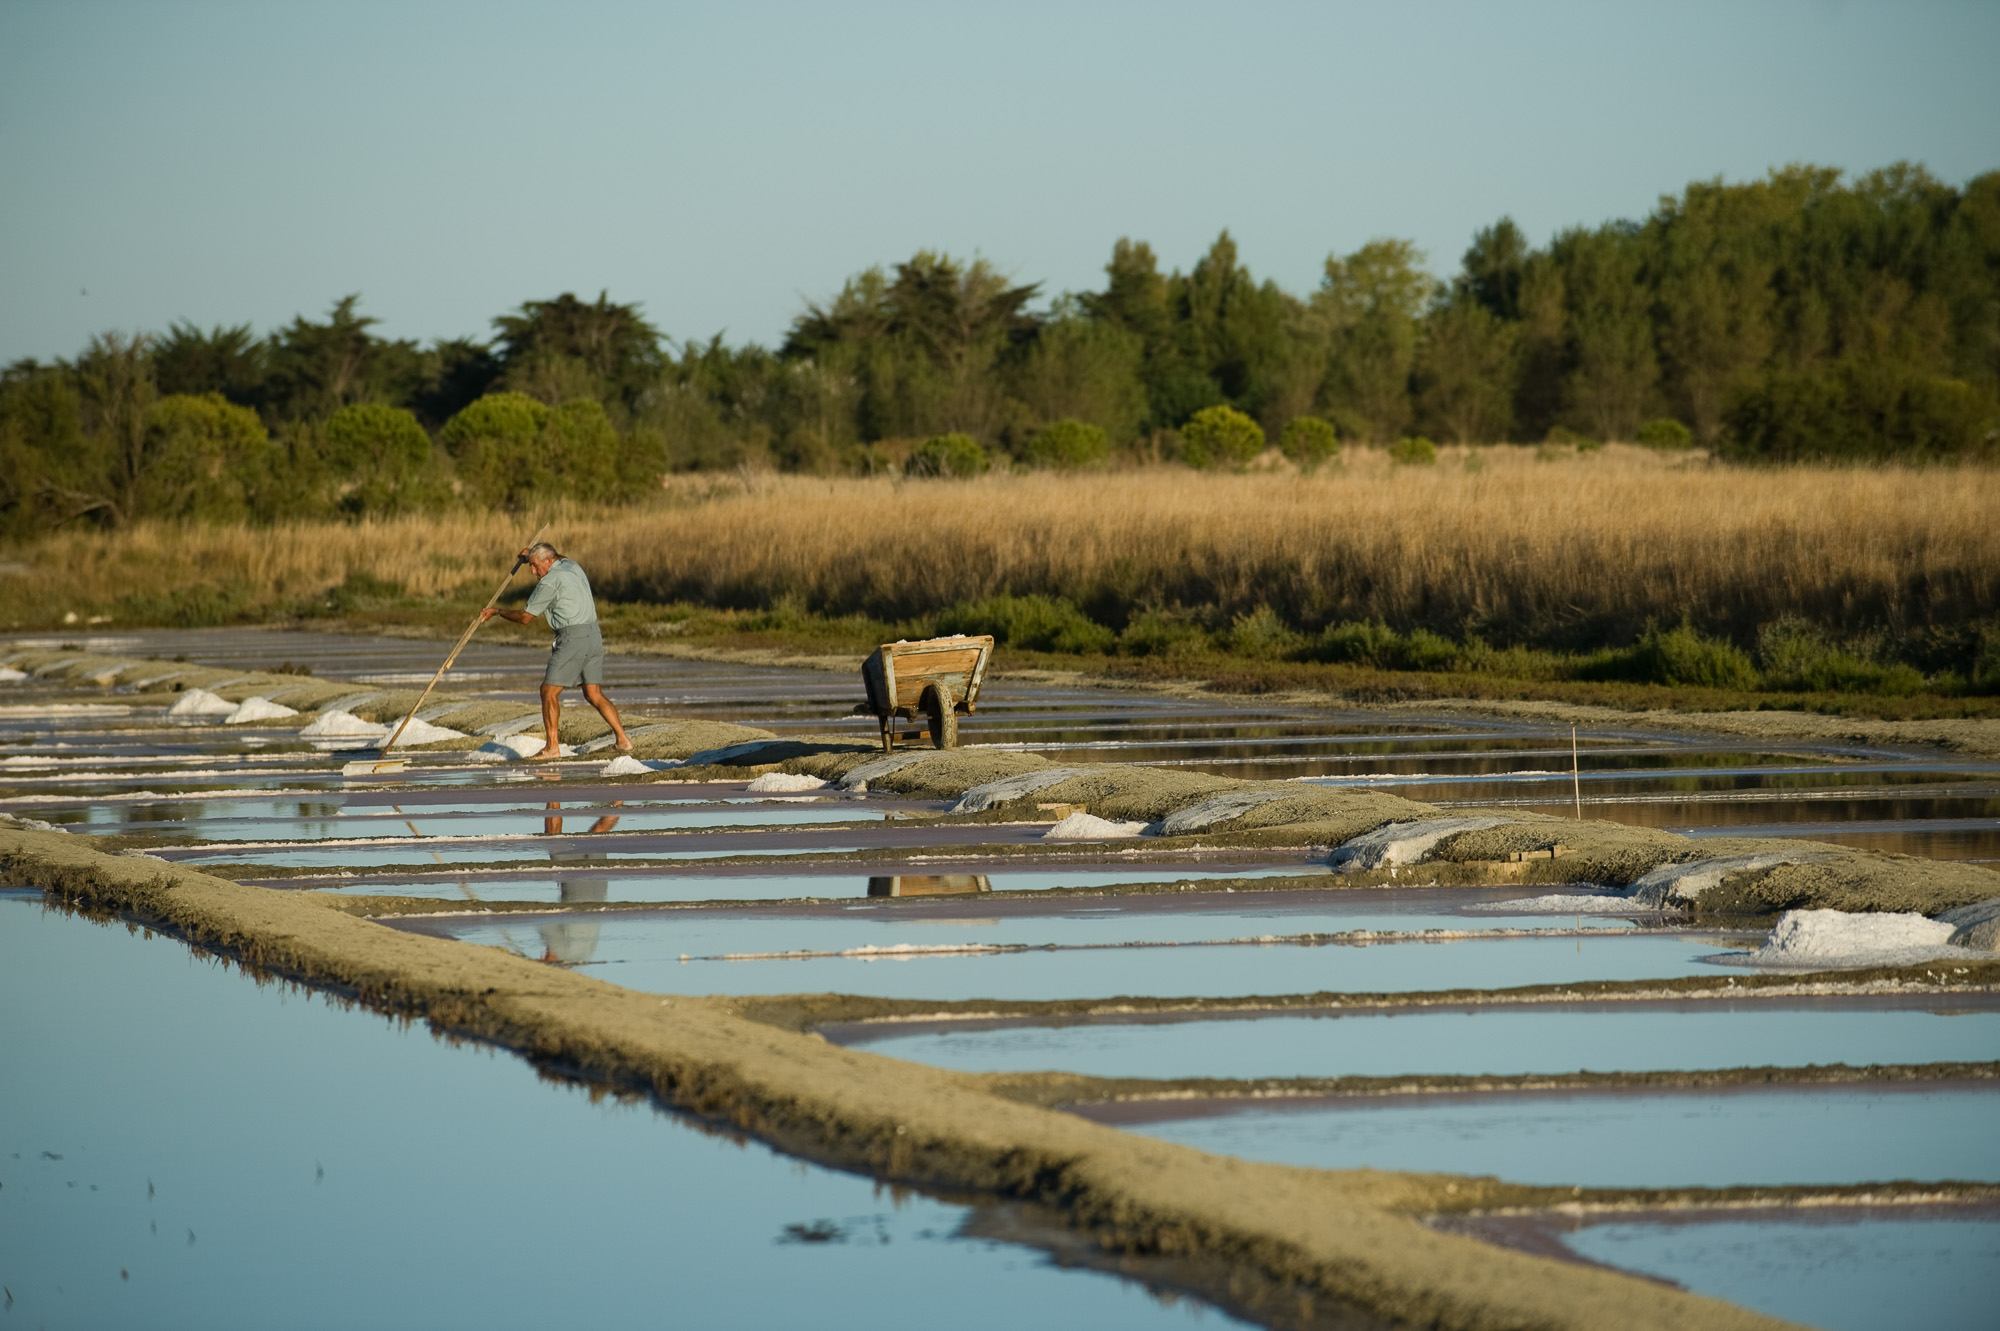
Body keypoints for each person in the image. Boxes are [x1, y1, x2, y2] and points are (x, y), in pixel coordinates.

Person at [481, 543, 631, 759]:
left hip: (573, 639)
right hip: (594, 635)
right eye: (530, 566)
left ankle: (552, 747)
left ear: (549, 561)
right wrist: (529, 556)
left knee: (548, 691)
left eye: (534, 566)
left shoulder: (549, 582)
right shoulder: (571, 566)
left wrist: (497, 611)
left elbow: (526, 618)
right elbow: (560, 556)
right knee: (593, 693)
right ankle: (623, 740)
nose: (533, 572)